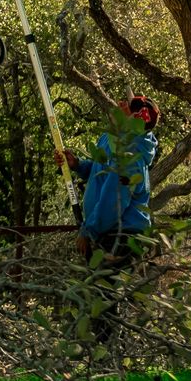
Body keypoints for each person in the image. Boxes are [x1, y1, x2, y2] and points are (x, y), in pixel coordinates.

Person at [56, 93, 160, 341]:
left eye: (130, 105)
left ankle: (108, 364)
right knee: (100, 296)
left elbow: (115, 201)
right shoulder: (114, 142)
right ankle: (105, 359)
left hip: (122, 234)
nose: (122, 103)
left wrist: (88, 231)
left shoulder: (130, 153)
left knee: (103, 298)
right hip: (111, 231)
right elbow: (101, 171)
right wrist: (78, 165)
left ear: (136, 119)